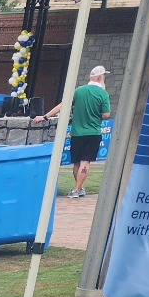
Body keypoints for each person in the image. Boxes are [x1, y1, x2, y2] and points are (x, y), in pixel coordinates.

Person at [44, 65, 111, 198]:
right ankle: (76, 189)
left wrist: (46, 116)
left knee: (77, 162)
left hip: (77, 133)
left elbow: (64, 105)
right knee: (85, 162)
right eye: (104, 76)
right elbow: (106, 114)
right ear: (99, 78)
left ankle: (79, 188)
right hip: (93, 133)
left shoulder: (78, 91)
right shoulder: (103, 94)